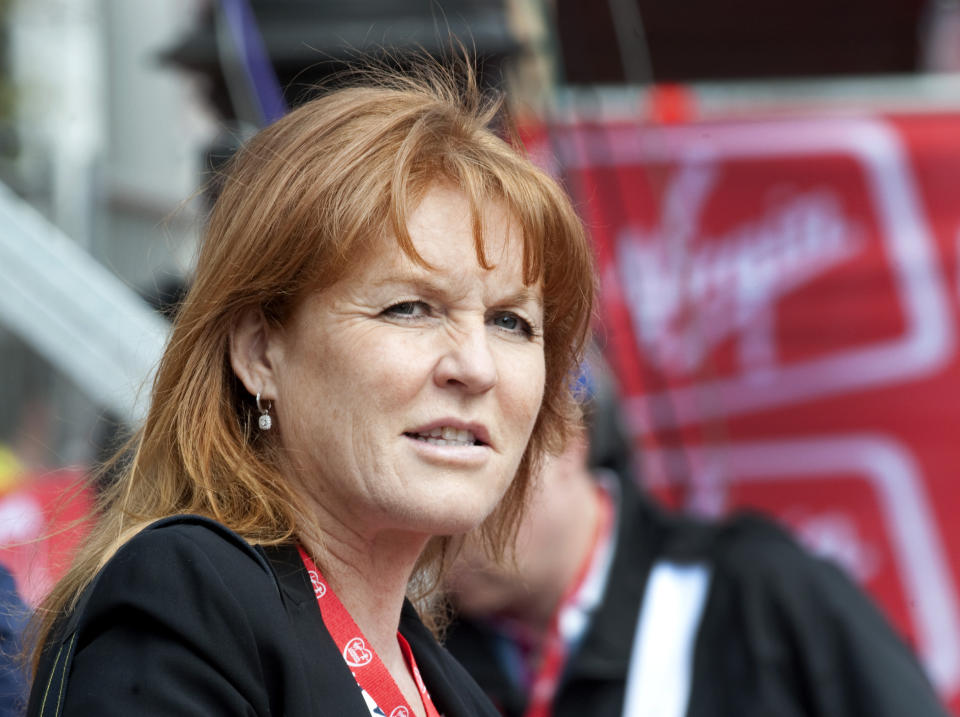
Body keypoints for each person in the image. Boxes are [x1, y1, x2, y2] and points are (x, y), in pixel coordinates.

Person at [26, 60, 595, 717]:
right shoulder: (185, 599)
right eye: (410, 307)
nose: (477, 366)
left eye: (511, 321)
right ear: (259, 351)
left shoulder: (455, 691)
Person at [444, 360, 951, 717]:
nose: (439, 520)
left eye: (471, 451)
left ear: (566, 441)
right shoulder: (423, 651)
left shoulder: (759, 592)